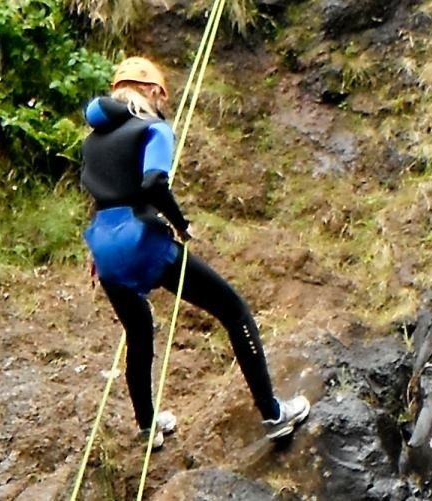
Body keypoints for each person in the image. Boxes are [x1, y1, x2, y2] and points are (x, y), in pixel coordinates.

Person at [78, 56, 310, 449]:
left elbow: (102, 195)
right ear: (152, 92)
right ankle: (274, 415)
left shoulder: (92, 142)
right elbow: (153, 182)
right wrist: (181, 224)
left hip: (103, 247)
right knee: (234, 311)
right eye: (161, 96)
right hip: (142, 241)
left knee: (138, 332)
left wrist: (98, 253)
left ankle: (148, 427)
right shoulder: (154, 129)